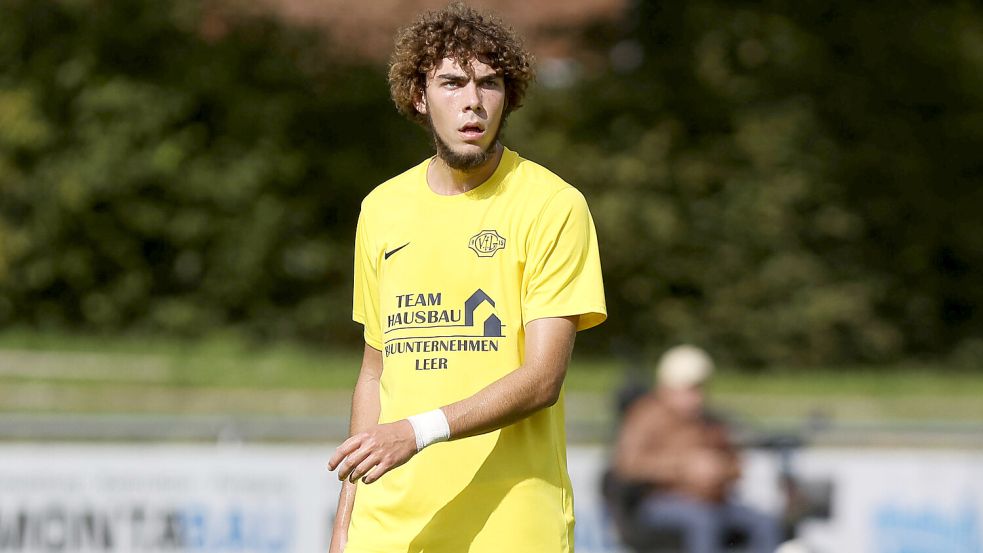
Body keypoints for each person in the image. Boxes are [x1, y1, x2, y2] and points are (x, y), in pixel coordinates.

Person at [326, 4, 607, 552]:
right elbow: (373, 373)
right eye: (452, 82)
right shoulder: (381, 208)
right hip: (389, 530)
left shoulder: (553, 206)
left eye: (490, 83)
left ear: (509, 97)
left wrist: (416, 432)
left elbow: (542, 378)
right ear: (419, 96)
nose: (473, 101)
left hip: (511, 523)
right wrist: (346, 523)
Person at [613, 345, 782, 553]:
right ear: (668, 388)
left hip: (713, 501)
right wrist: (684, 468)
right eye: (690, 389)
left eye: (700, 388)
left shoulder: (711, 421)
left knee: (764, 523)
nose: (697, 396)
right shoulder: (646, 417)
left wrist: (720, 469)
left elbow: (737, 465)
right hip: (659, 501)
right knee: (703, 522)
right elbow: (628, 466)